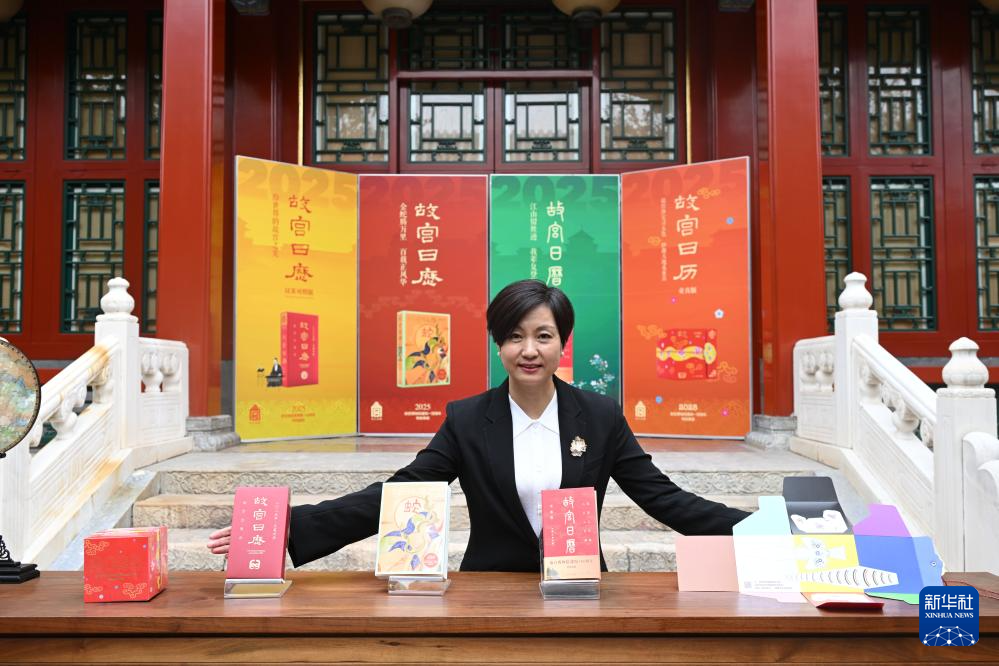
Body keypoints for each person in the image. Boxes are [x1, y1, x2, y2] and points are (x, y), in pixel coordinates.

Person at [208, 280, 750, 571]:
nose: (529, 350)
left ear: (563, 343)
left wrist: (760, 529)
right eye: (514, 336)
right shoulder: (468, 420)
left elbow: (665, 499)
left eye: (543, 336)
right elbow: (399, 493)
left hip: (581, 589)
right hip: (488, 589)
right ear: (498, 345)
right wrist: (288, 526)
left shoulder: (600, 416)